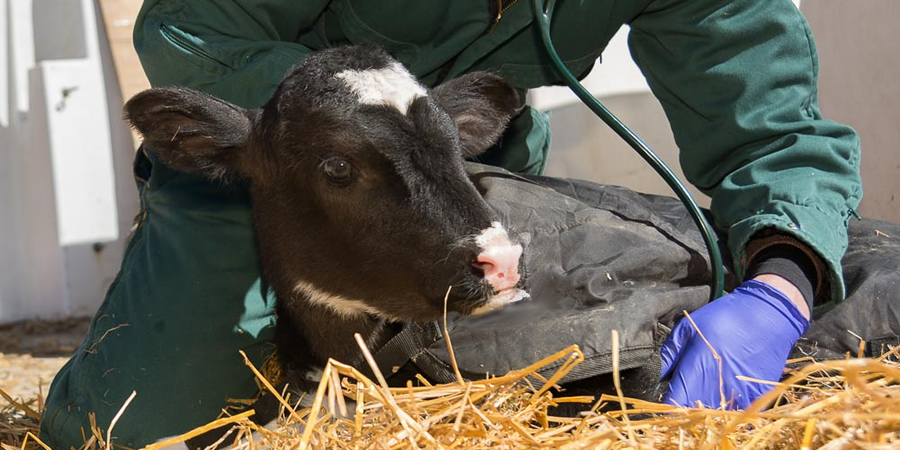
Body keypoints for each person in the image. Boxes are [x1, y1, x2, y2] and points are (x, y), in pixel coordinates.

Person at [40, 0, 862, 447]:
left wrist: (781, 289)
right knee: (143, 427)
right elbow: (188, 25)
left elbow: (773, 130)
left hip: (462, 171)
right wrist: (347, 113)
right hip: (283, 167)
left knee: (528, 391)